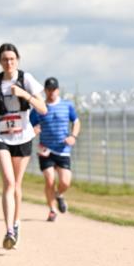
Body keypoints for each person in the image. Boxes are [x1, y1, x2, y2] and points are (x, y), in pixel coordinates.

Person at [0, 43, 46, 249]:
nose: (8, 62)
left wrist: (25, 95)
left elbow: (43, 108)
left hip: (23, 137)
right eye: (4, 59)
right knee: (9, 183)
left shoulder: (26, 79)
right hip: (0, 136)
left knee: (17, 185)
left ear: (18, 60)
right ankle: (9, 231)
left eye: (12, 59)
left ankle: (16, 221)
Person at [30, 77, 80, 221]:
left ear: (58, 90)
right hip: (45, 150)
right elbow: (30, 127)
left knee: (65, 182)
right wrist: (34, 130)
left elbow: (76, 122)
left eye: (54, 89)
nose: (51, 92)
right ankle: (52, 210)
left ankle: (59, 194)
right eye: (48, 89)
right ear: (45, 91)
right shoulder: (39, 108)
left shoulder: (67, 105)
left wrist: (73, 136)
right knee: (50, 179)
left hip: (63, 150)